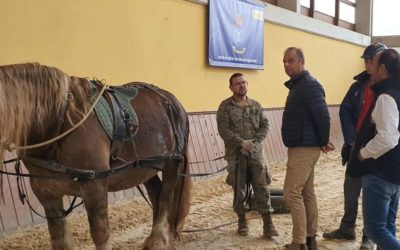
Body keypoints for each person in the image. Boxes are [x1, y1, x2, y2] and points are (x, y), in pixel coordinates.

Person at [323, 43, 387, 250]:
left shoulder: (389, 88)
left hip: (377, 151)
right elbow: (345, 111)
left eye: (372, 60)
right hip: (355, 147)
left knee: (371, 192)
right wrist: (351, 139)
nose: (368, 64)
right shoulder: (358, 86)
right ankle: (347, 226)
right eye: (366, 60)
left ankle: (368, 236)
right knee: (350, 187)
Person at [281, 47, 334, 250]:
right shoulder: (299, 85)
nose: (286, 65)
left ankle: (299, 242)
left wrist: (323, 140)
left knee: (291, 193)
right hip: (303, 144)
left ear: (301, 61)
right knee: (306, 193)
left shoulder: (309, 85)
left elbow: (323, 116)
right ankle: (310, 238)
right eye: (284, 61)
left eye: (291, 61)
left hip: (304, 146)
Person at [349, 49, 400, 250]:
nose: (370, 68)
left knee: (375, 230)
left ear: (383, 69)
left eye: (374, 63)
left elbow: (388, 138)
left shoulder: (386, 97)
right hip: (393, 171)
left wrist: (363, 152)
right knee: (387, 226)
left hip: (380, 171)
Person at [216, 72, 278, 238]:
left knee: (262, 187)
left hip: (256, 155)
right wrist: (241, 143)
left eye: (244, 82)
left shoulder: (256, 105)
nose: (242, 85)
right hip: (235, 156)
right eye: (238, 83)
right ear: (231, 87)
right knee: (239, 188)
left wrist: (253, 144)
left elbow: (265, 126)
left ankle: (268, 224)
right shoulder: (225, 107)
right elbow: (223, 130)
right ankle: (242, 221)